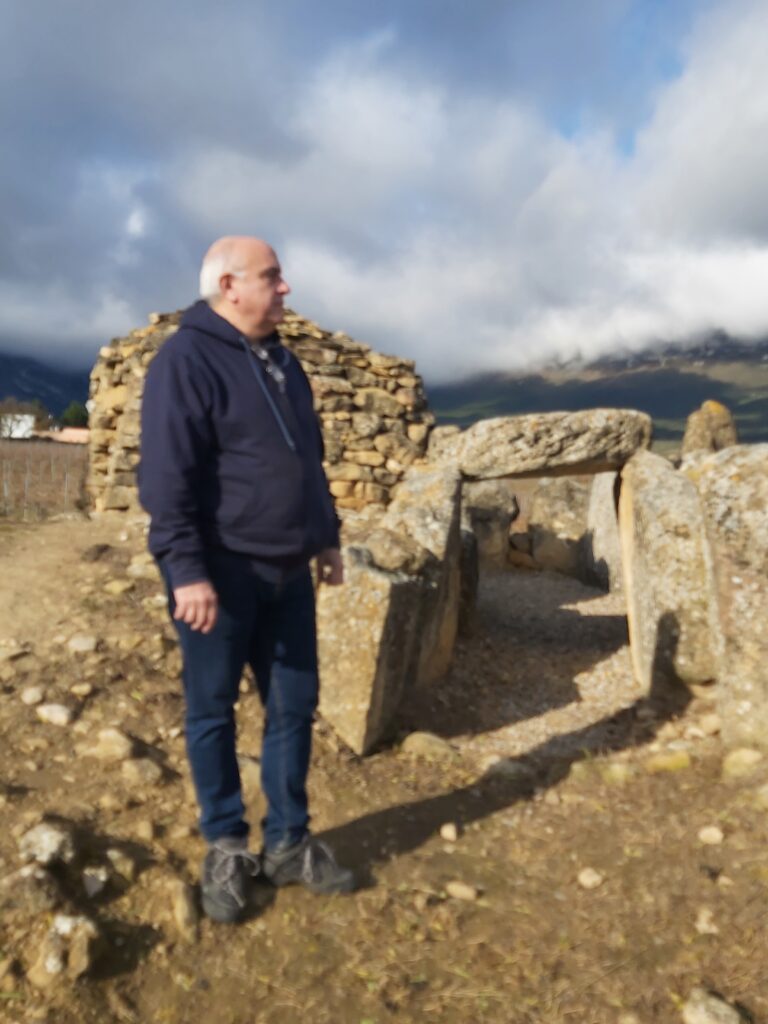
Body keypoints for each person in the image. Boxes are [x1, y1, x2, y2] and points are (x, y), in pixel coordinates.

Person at [138, 236, 354, 923]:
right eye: (272, 276)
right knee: (212, 711)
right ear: (229, 285)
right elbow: (166, 478)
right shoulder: (185, 360)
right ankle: (227, 846)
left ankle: (288, 842)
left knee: (293, 706)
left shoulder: (285, 362)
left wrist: (326, 536)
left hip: (290, 572)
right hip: (220, 574)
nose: (285, 288)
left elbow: (307, 460)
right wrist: (186, 571)